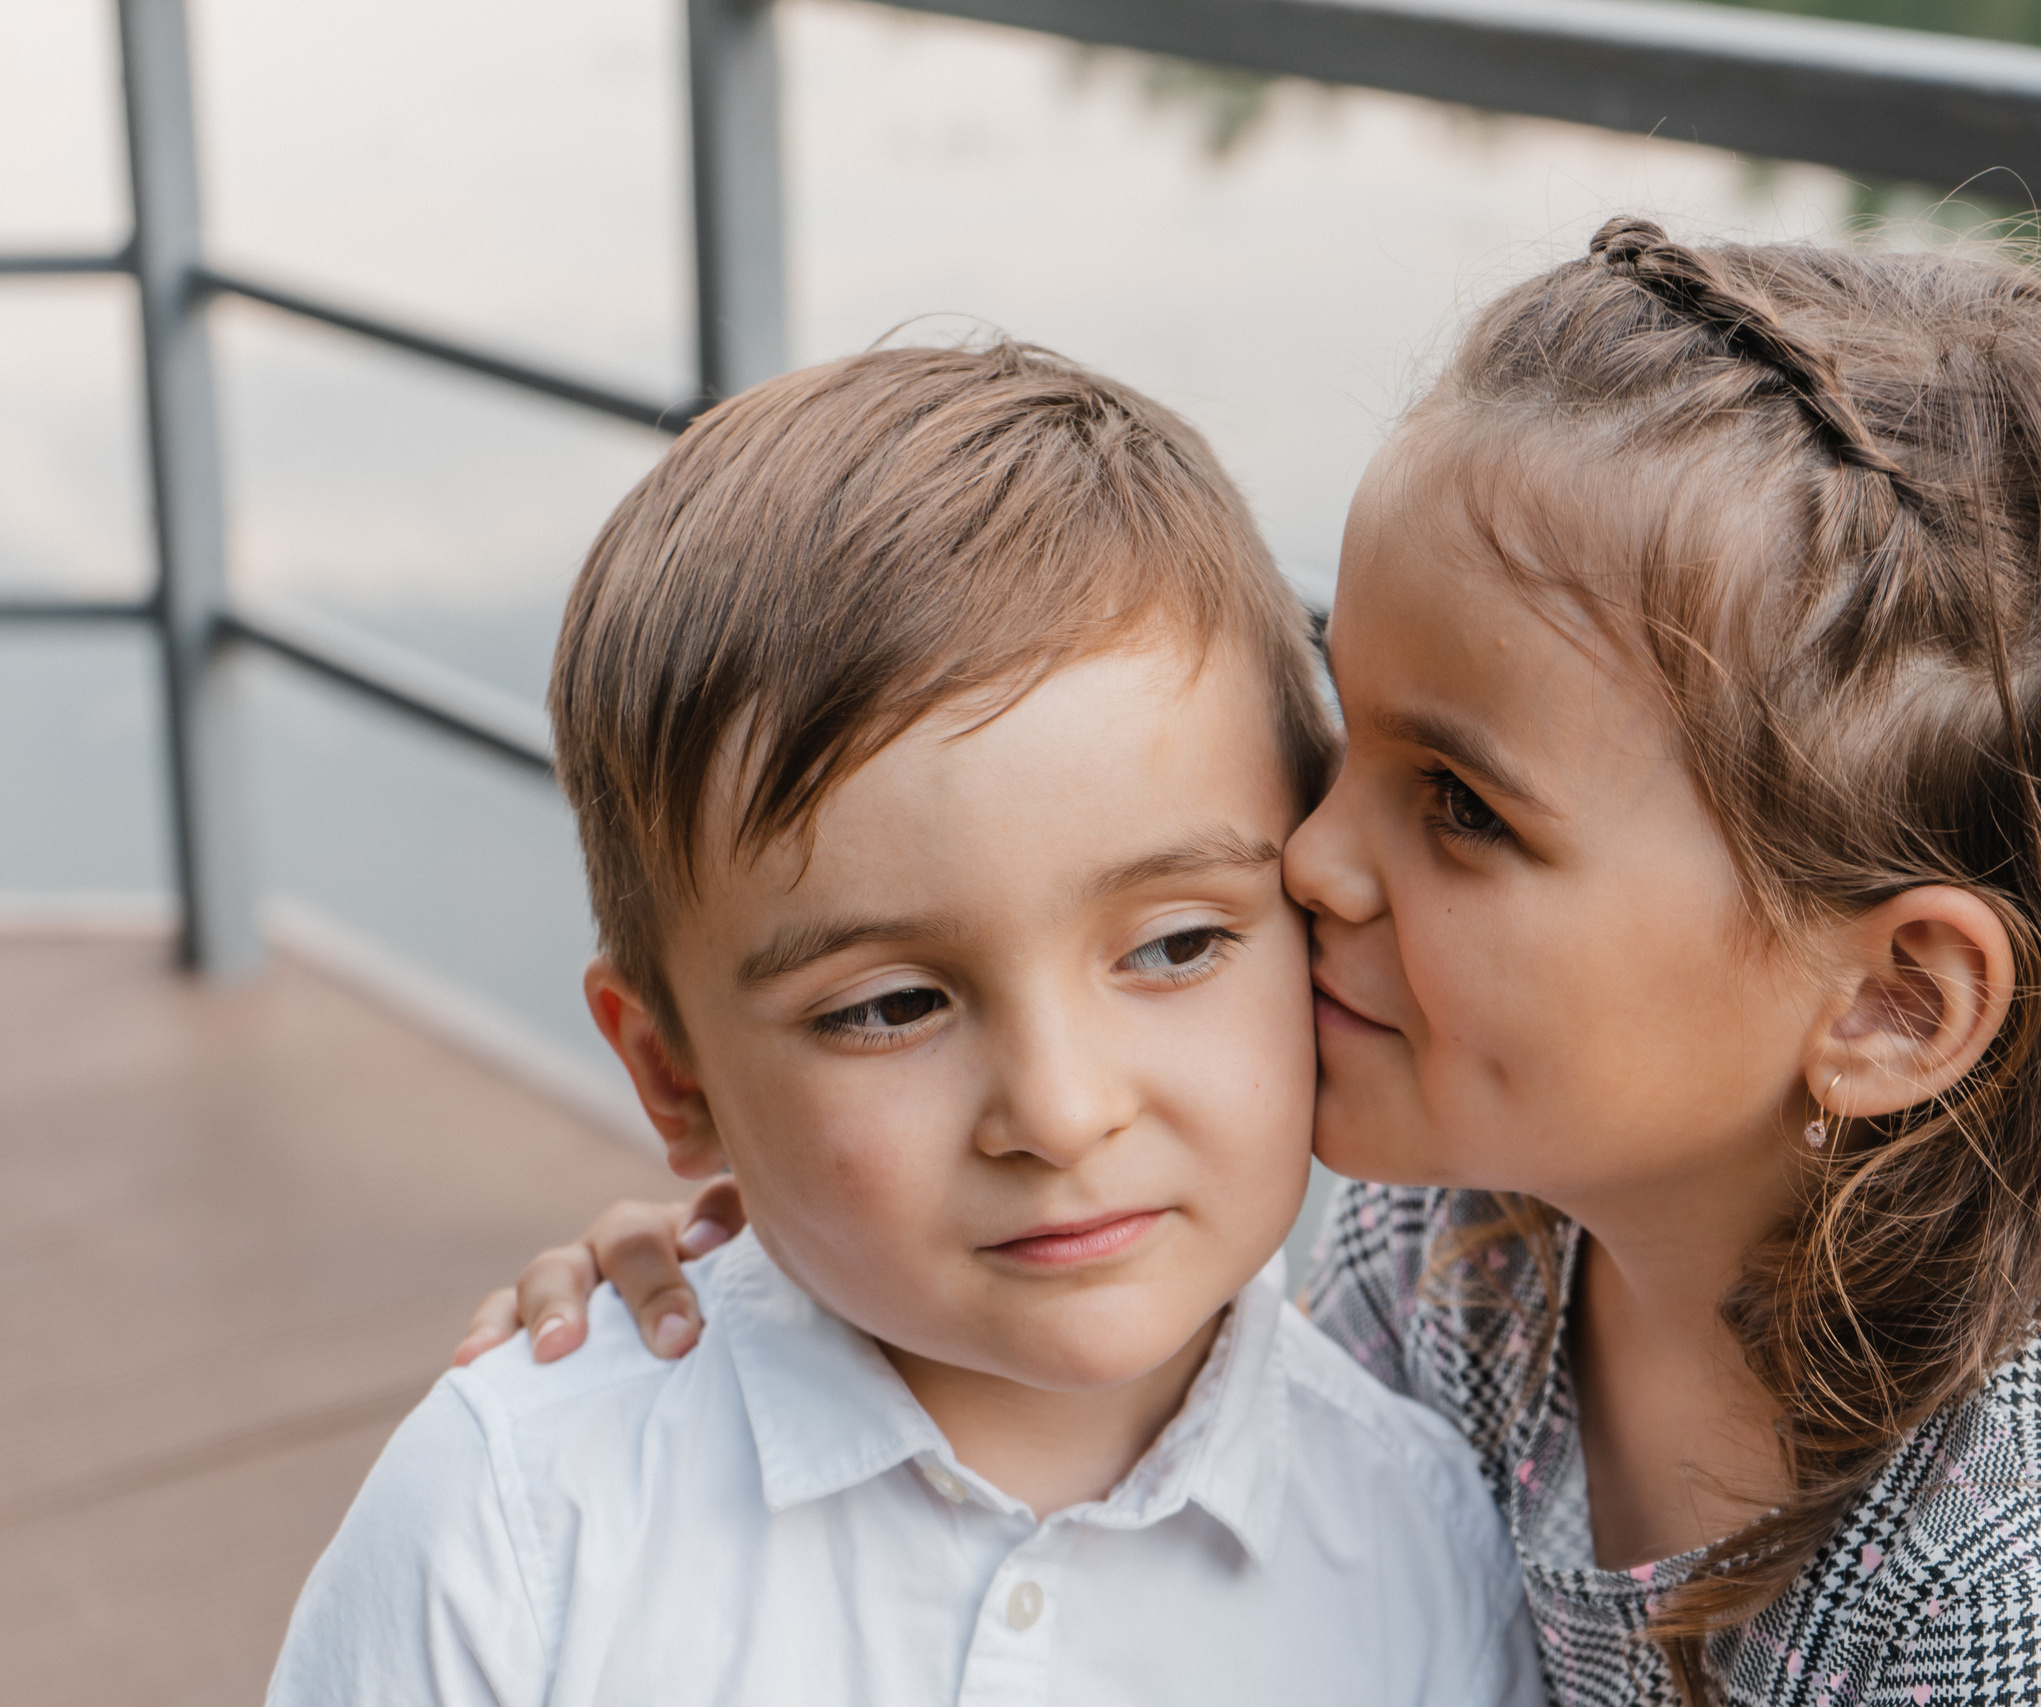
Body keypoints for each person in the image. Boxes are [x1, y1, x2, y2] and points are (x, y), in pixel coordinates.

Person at [462, 224, 2041, 1704]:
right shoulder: (1467, 1260)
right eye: (1344, 728)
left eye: (1456, 807)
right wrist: (765, 1275)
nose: (1306, 857)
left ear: (1886, 1001)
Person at [268, 343, 1545, 1707]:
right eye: (888, 1007)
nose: (1059, 1112)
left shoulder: (1430, 1549)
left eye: (1176, 946)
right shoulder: (514, 1526)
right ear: (670, 1071)